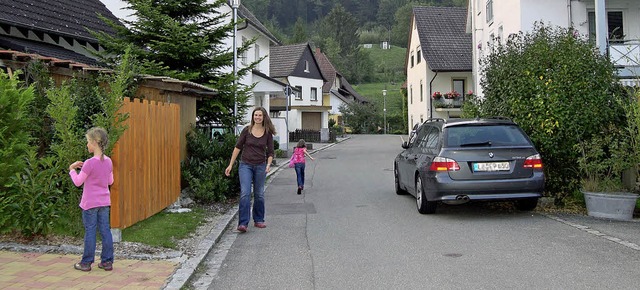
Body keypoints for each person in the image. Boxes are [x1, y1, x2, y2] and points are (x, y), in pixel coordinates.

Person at [68, 127, 114, 272]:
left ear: (94, 142)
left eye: (88, 142)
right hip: (104, 203)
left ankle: (86, 263)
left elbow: (77, 182)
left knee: (90, 231)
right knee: (105, 231)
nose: (87, 145)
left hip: (89, 204)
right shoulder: (108, 161)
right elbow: (110, 181)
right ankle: (107, 262)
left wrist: (72, 169)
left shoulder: (89, 163)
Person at [225, 107, 275, 233]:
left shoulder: (267, 133)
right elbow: (238, 147)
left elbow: (270, 152)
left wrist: (268, 165)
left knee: (259, 194)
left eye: (260, 115)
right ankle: (243, 223)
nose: (257, 117)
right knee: (245, 193)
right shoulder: (247, 130)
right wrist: (230, 164)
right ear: (253, 117)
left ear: (264, 117)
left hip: (260, 166)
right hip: (245, 165)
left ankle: (258, 219)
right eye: (255, 115)